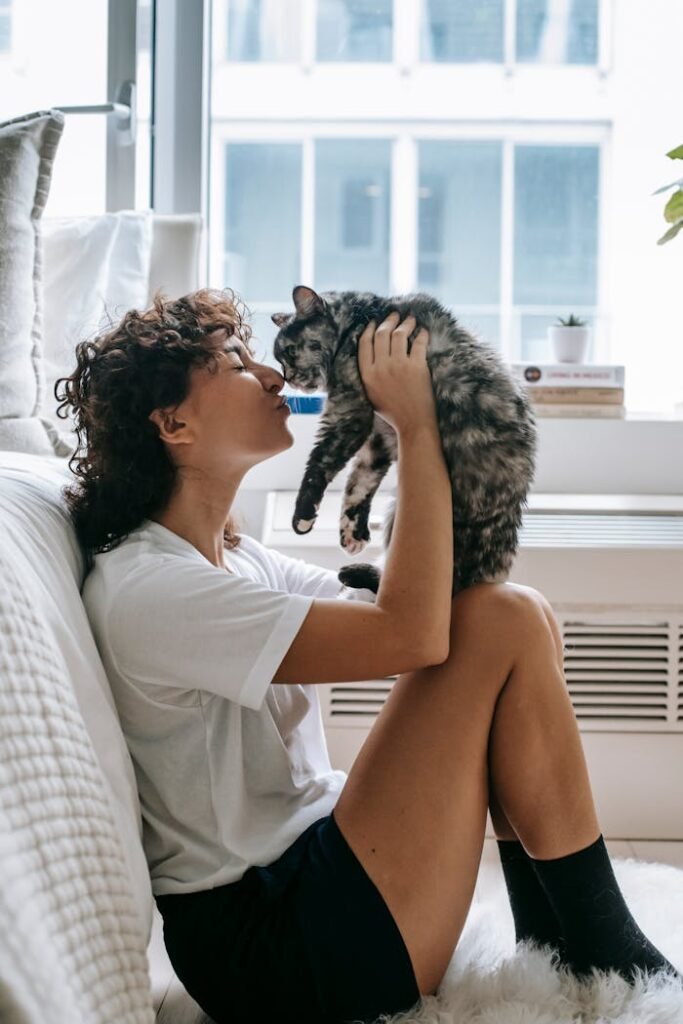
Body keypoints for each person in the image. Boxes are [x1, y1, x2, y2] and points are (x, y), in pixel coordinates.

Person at [56, 288, 680, 1024]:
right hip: (275, 947)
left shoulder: (232, 557)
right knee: (504, 616)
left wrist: (446, 418)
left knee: (520, 613)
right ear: (173, 423)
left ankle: (559, 931)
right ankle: (603, 944)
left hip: (312, 872)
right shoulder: (154, 588)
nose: (270, 376)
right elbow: (413, 636)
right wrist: (413, 424)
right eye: (234, 364)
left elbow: (429, 613)